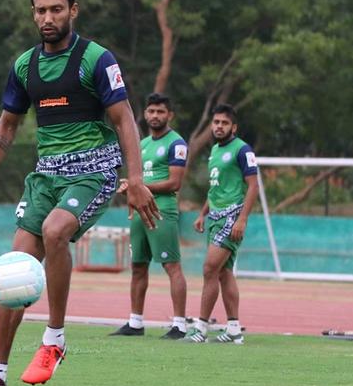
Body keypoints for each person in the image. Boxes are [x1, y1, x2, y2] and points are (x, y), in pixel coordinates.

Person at [0, 0, 160, 386]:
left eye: (56, 9)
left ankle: (54, 339)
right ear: (33, 14)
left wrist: (137, 178)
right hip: (46, 175)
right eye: (40, 11)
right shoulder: (25, 66)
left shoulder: (97, 59)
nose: (48, 17)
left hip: (95, 170)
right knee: (15, 268)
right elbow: (7, 125)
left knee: (56, 231)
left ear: (73, 10)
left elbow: (125, 118)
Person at [110, 92, 189, 339]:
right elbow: (137, 180)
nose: (155, 116)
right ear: (145, 114)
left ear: (170, 115)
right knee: (137, 266)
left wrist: (139, 188)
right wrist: (129, 188)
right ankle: (135, 322)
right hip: (137, 212)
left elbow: (175, 183)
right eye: (152, 111)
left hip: (161, 210)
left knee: (171, 265)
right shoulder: (141, 145)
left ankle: (179, 325)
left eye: (161, 112)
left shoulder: (177, 144)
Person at [183, 104, 258, 344]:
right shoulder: (214, 150)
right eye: (216, 122)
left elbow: (253, 186)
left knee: (209, 269)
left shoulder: (242, 150)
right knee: (224, 273)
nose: (219, 126)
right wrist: (202, 213)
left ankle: (201, 330)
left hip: (231, 217)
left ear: (233, 127)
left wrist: (242, 219)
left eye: (224, 123)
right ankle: (234, 330)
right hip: (215, 218)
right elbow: (216, 189)